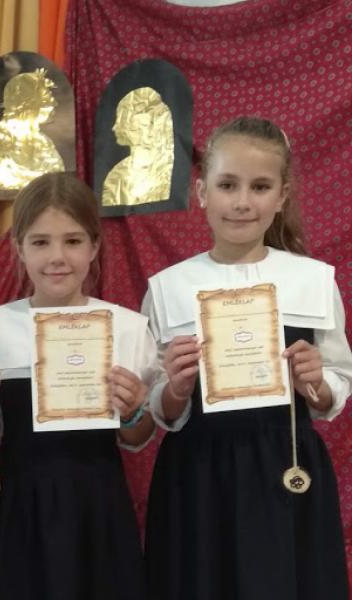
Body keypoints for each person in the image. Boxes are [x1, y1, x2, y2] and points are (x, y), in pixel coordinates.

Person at [142, 116, 352, 600]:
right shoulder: (169, 288)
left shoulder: (313, 280)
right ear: (202, 192)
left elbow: (333, 387)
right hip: (197, 471)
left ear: (281, 197)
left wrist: (315, 382)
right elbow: (158, 406)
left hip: (285, 463)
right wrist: (174, 390)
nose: (242, 202)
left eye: (260, 187)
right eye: (227, 185)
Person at [0, 172, 157, 600]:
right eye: (40, 242)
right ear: (19, 248)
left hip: (98, 505)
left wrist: (133, 410)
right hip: (17, 504)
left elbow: (137, 438)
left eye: (72, 241)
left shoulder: (127, 329)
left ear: (94, 246)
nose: (57, 257)